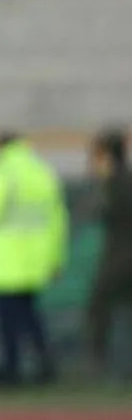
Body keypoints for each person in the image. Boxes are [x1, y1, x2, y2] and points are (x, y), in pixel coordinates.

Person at [0, 131, 68, 385]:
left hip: (4, 261)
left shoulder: (0, 172)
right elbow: (58, 220)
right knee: (30, 316)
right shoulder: (42, 172)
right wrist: (56, 259)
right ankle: (45, 363)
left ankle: (10, 371)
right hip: (35, 260)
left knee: (6, 321)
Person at [86, 128, 132, 371]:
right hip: (121, 254)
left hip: (119, 256)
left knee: (98, 308)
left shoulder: (115, 183)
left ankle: (98, 364)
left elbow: (101, 211)